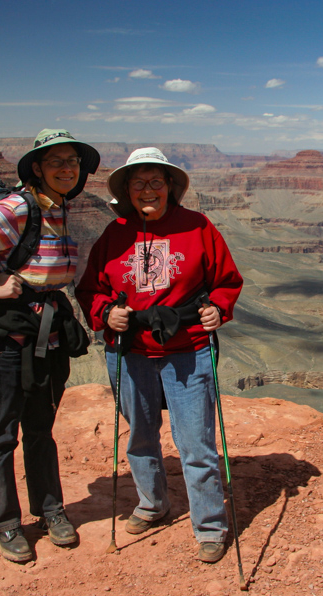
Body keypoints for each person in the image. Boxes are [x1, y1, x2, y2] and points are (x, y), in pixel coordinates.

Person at [0, 129, 99, 562]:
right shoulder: (18, 206)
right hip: (10, 337)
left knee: (41, 428)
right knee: (3, 431)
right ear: (37, 169)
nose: (68, 168)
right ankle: (5, 524)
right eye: (57, 161)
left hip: (48, 333)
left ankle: (50, 510)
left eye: (74, 162)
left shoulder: (57, 206)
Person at [76, 147, 243, 563]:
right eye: (139, 183)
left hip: (187, 348)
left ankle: (209, 525)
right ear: (127, 191)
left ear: (170, 186)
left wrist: (217, 309)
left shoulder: (198, 226)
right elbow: (90, 289)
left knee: (196, 441)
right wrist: (105, 313)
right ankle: (153, 504)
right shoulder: (114, 234)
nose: (147, 190)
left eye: (155, 182)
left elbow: (226, 279)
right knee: (140, 435)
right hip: (129, 349)